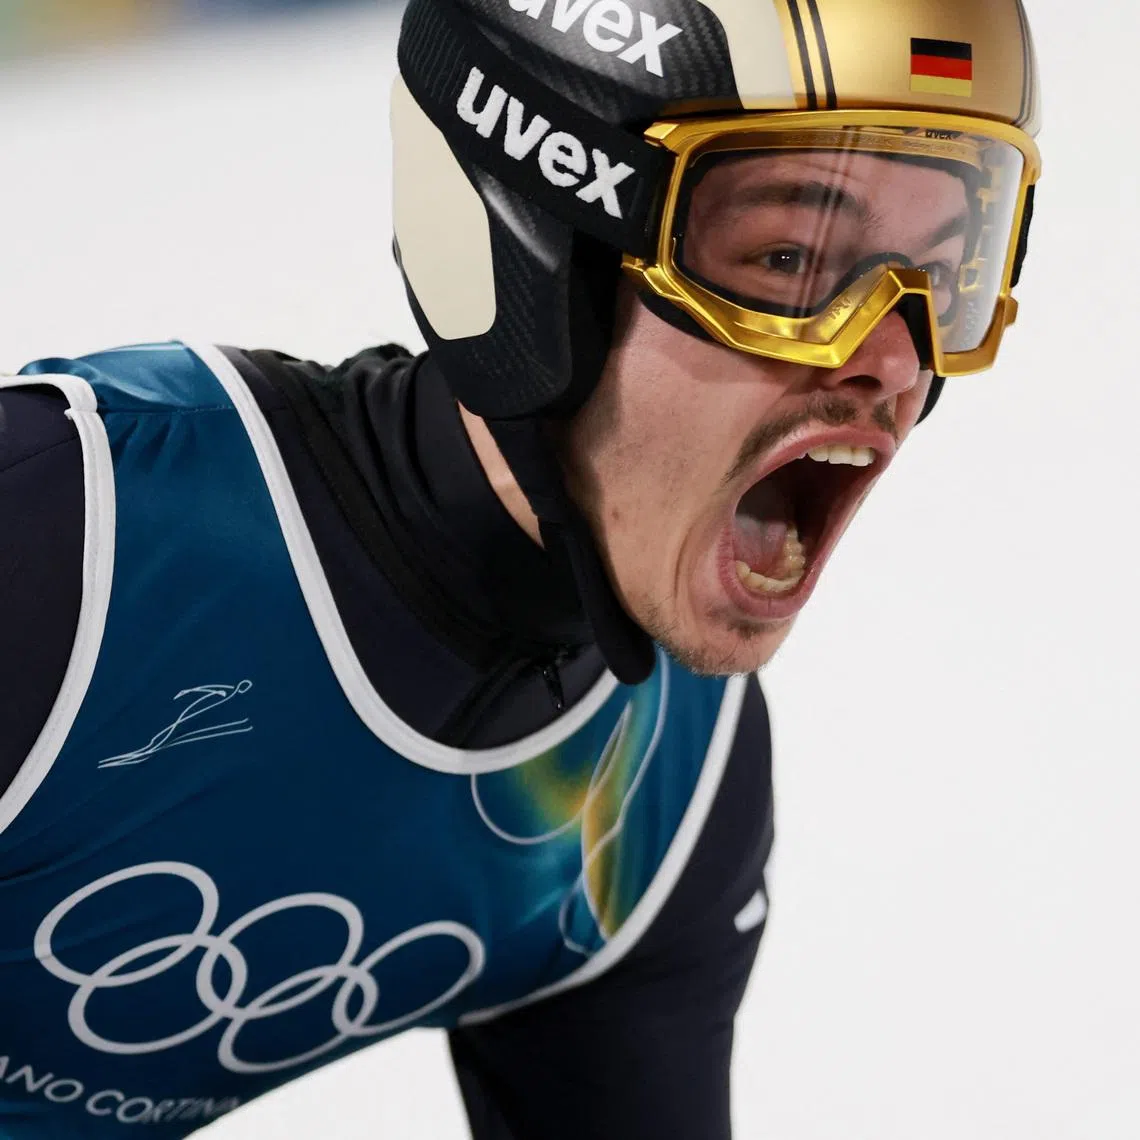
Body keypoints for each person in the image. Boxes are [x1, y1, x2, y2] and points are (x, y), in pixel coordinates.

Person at [0, 0, 1041, 1135]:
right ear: (539, 252)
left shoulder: (666, 790)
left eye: (943, 278)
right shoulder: (75, 534)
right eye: (786, 261)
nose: (891, 359)